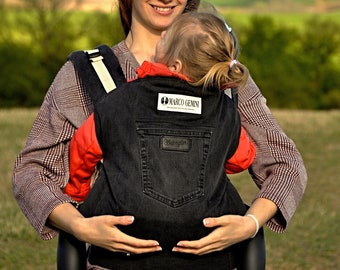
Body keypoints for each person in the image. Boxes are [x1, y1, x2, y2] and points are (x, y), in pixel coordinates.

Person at [12, 0, 307, 268]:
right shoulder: (85, 74)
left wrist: (251, 223)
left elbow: (285, 164)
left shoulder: (222, 75)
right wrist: (78, 225)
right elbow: (32, 171)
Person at [64, 12, 255, 204]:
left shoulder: (121, 99)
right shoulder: (224, 110)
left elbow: (83, 146)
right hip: (202, 225)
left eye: (167, 38)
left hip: (126, 220)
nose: (162, 35)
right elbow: (240, 161)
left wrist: (78, 191)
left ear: (175, 66)